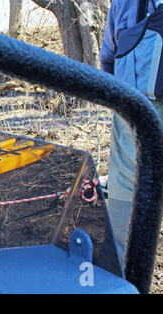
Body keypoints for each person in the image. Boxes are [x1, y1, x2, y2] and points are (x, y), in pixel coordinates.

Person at [99, 0, 163, 269]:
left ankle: (122, 271)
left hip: (132, 106)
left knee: (125, 187)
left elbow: (108, 59)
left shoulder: (122, 3)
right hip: (135, 107)